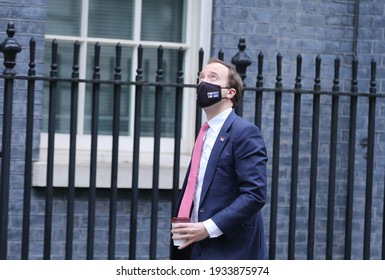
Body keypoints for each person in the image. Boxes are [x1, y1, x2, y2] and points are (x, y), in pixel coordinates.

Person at [170, 58, 268, 260]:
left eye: (212, 77)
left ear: (230, 92)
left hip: (229, 252)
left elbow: (254, 195)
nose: (203, 82)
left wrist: (207, 228)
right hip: (191, 247)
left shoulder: (245, 133)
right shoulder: (204, 134)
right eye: (201, 77)